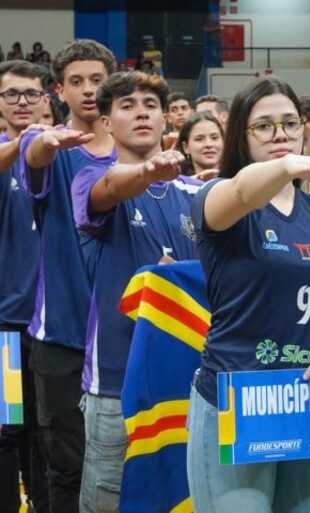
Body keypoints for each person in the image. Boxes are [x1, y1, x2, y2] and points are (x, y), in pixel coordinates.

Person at [187, 76, 310, 513]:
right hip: (238, 399)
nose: (280, 134)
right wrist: (291, 167)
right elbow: (246, 189)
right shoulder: (217, 195)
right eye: (264, 126)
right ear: (240, 137)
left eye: (290, 123)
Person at [71, 70, 201, 513]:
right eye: (126, 105)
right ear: (105, 122)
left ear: (167, 118)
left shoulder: (196, 192)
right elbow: (110, 189)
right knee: (111, 502)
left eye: (150, 104)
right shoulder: (90, 179)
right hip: (116, 381)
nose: (140, 111)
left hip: (191, 380)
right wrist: (145, 171)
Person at [18, 39, 117, 513]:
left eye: (97, 80)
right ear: (58, 90)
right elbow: (33, 156)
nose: (88, 90)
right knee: (65, 466)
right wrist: (42, 144)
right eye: (75, 82)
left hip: (123, 338)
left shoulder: (136, 154)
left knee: (126, 463)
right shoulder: (52, 149)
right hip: (60, 338)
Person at [0, 59, 50, 513]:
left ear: (45, 100)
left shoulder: (54, 154)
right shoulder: (6, 152)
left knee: (45, 430)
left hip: (51, 327)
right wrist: (22, 145)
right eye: (11, 94)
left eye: (30, 94)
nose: (21, 102)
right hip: (5, 327)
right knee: (6, 430)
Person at [175, 111, 224, 180]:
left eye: (214, 138)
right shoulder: (176, 185)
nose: (209, 144)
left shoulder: (237, 181)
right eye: (199, 139)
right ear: (186, 147)